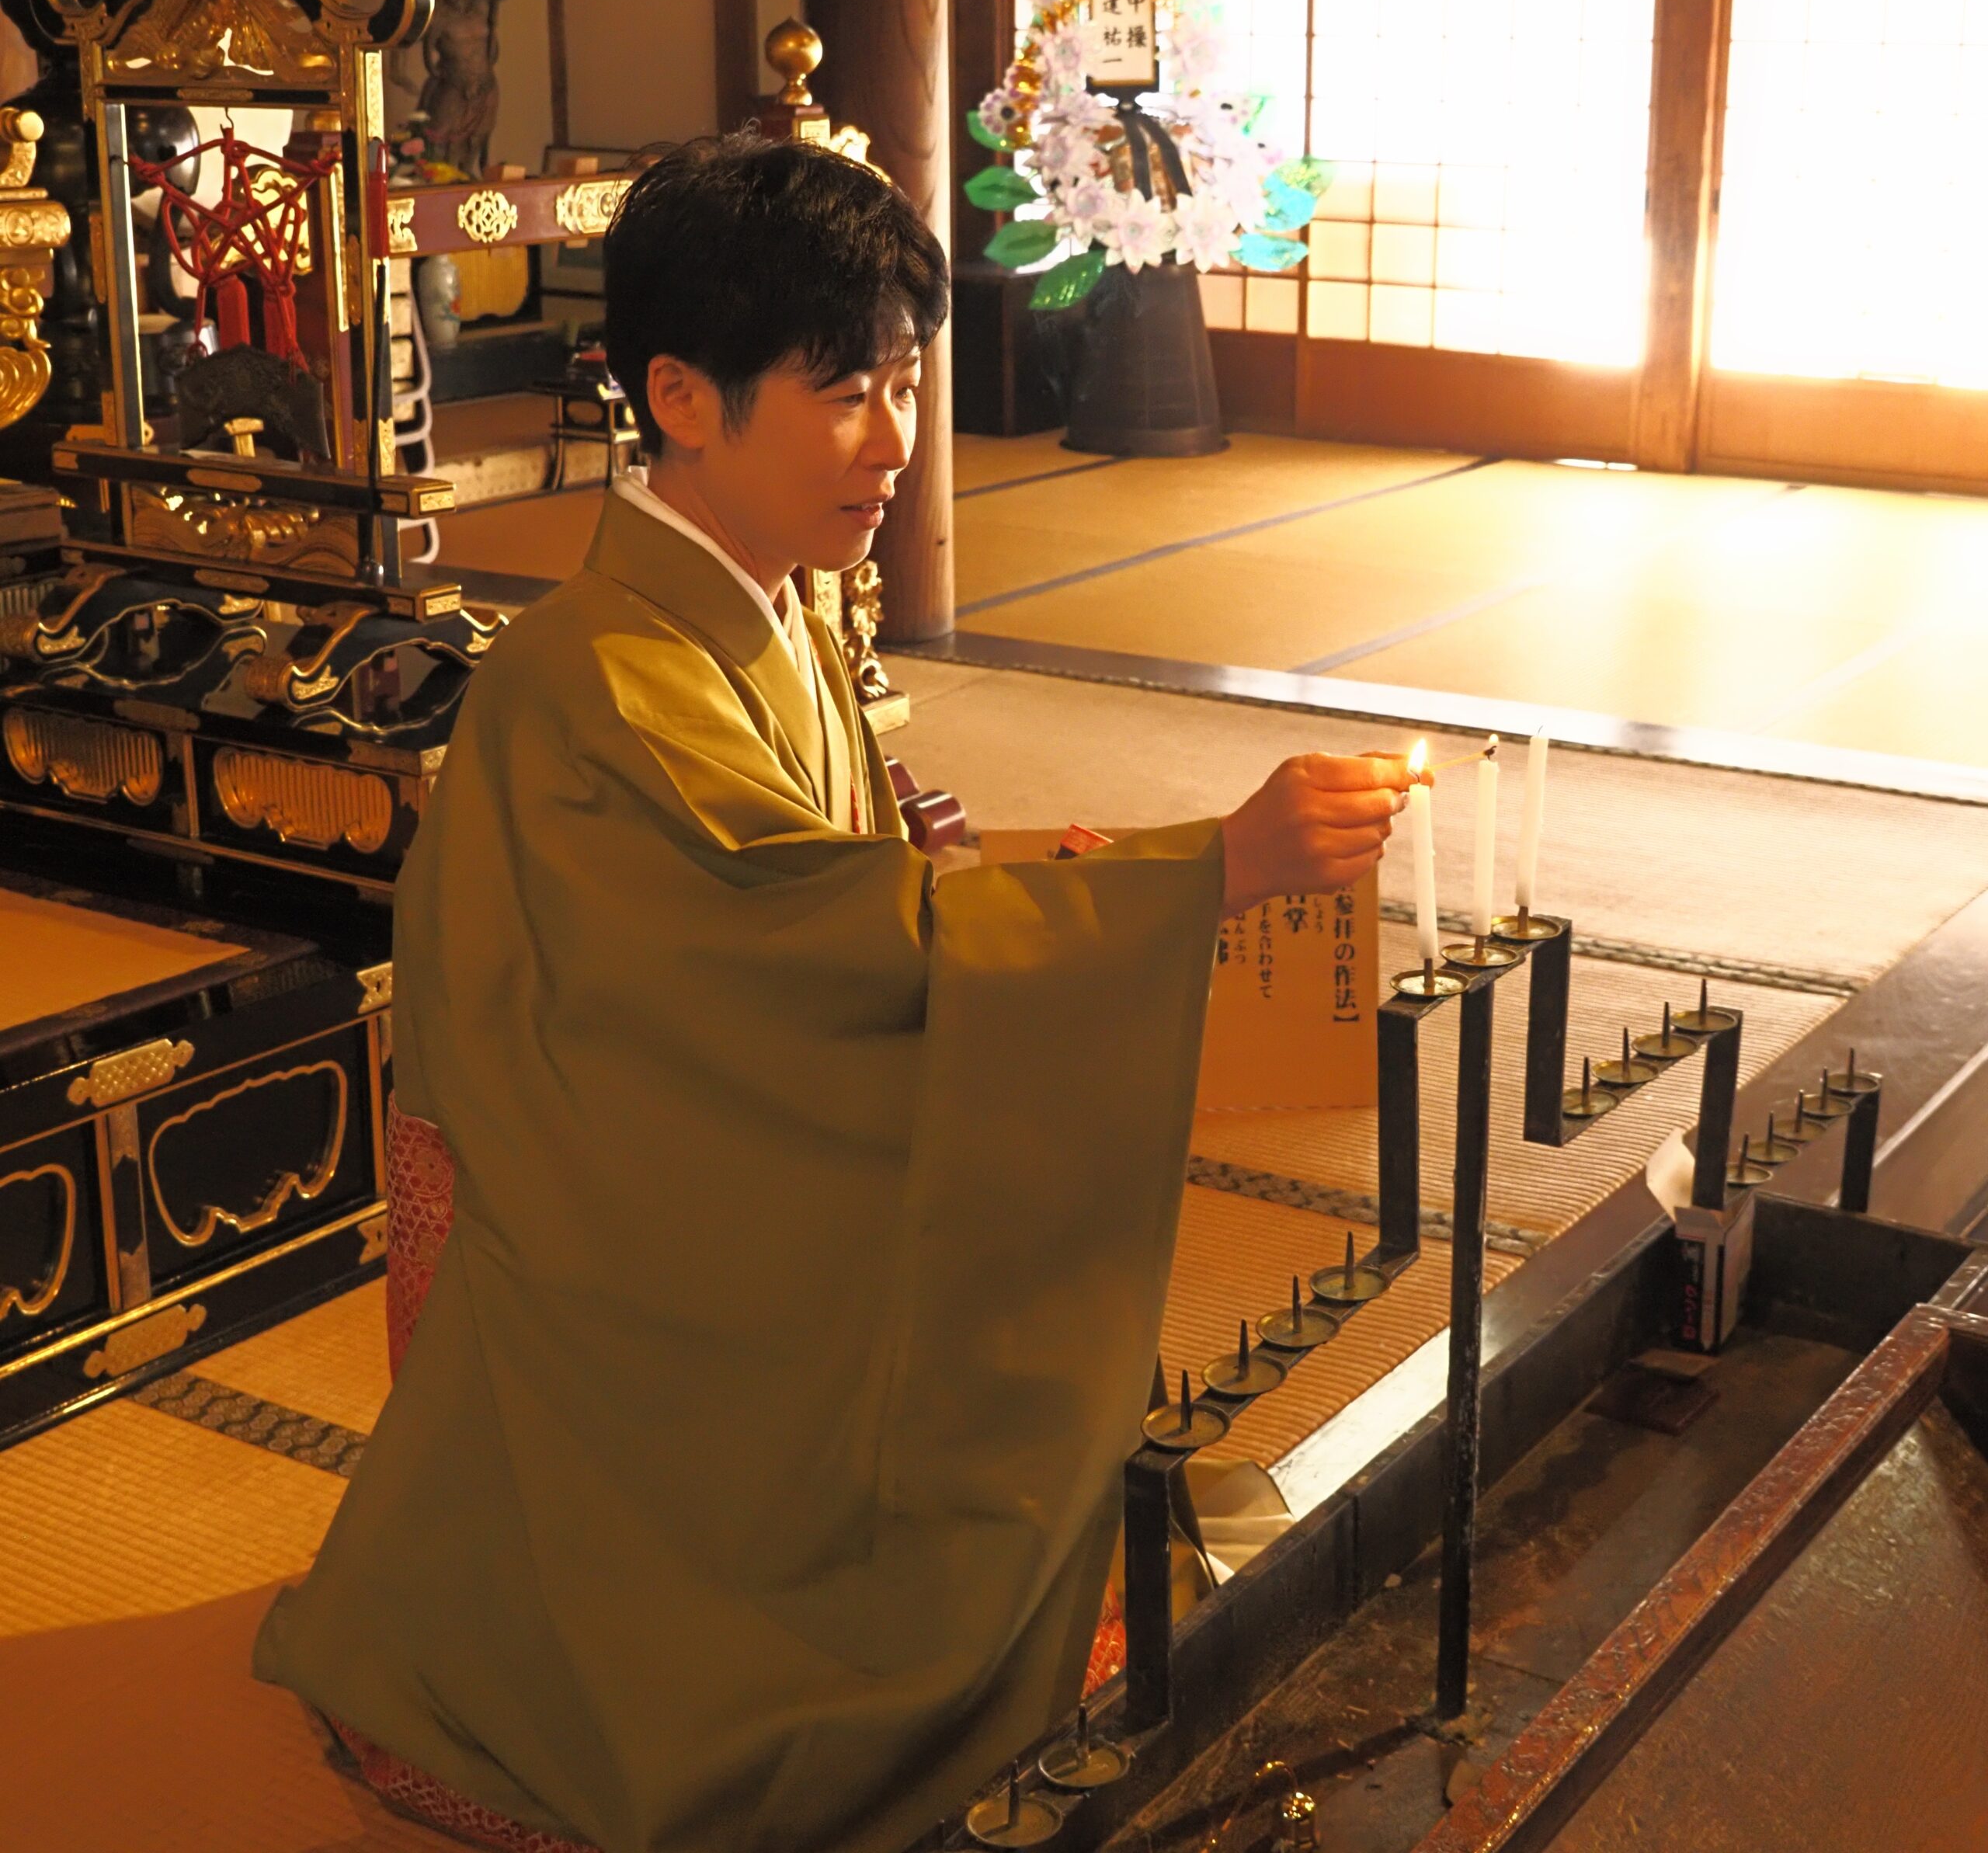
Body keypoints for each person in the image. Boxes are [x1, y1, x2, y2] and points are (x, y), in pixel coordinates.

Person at [253, 135, 1406, 1853]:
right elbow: (818, 934)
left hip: (699, 1093)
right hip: (604, 1189)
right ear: (682, 399)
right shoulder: (601, 679)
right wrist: (1204, 872)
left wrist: (1068, 880)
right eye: (842, 388)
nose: (893, 439)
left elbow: (842, 900)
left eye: (908, 381)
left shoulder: (768, 599)